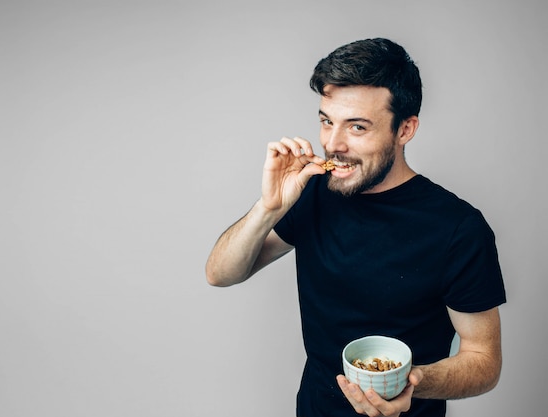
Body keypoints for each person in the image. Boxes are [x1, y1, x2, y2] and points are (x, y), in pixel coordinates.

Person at [205, 38, 506, 417]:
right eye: (327, 121)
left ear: (405, 129)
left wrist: (411, 382)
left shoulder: (459, 227)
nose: (333, 144)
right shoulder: (312, 192)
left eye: (357, 127)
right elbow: (220, 274)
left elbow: (484, 360)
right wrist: (268, 207)